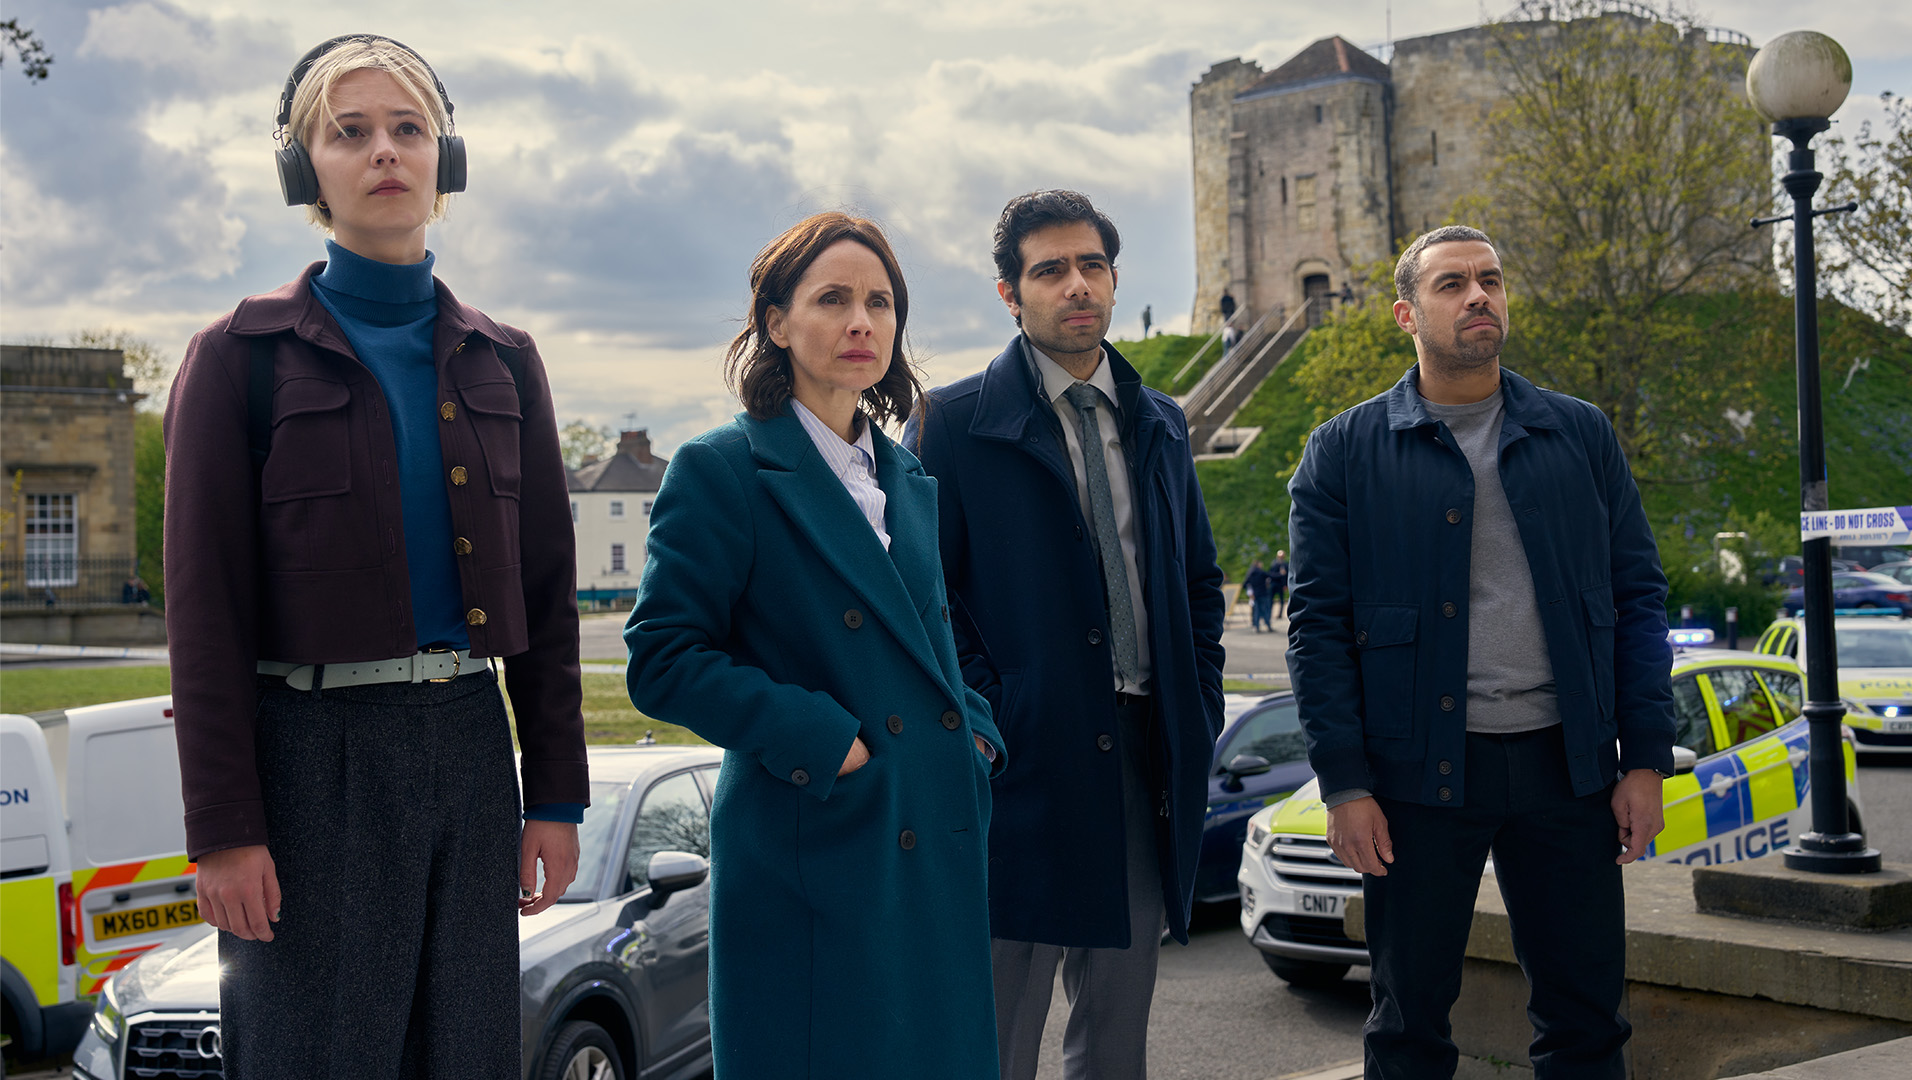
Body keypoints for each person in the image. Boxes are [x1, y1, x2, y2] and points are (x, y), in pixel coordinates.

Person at [163, 35, 586, 1078]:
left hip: (469, 749)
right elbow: (202, 615)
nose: (384, 152)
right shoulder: (236, 360)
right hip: (311, 758)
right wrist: (224, 830)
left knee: (469, 1057)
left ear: (447, 161)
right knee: (319, 1058)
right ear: (306, 169)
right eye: (349, 133)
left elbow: (546, 595)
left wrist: (557, 796)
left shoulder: (507, 359)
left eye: (410, 130)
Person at [1285, 225, 1674, 1078]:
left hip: (1567, 772)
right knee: (1408, 1026)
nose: (1479, 297)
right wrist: (1345, 782)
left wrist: (1644, 756)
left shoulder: (1580, 435)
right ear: (1406, 314)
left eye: (1491, 280)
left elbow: (1640, 600)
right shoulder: (1345, 453)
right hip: (1417, 778)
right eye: (1453, 284)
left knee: (1586, 1021)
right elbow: (1316, 627)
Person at [625, 212, 1006, 1080]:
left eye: (880, 302)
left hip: (931, 834)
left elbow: (931, 643)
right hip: (817, 842)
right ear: (775, 322)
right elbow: (662, 658)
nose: (861, 321)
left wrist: (976, 735)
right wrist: (824, 741)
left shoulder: (906, 478)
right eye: (832, 299)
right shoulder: (723, 468)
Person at [905, 190, 1226, 1080]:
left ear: (1115, 279)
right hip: (1019, 764)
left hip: (1141, 755)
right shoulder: (951, 424)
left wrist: (1193, 696)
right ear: (1011, 294)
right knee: (996, 1039)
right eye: (1050, 271)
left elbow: (1197, 584)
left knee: (1116, 1039)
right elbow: (923, 602)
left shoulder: (1160, 419)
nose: (1075, 286)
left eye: (1091, 266)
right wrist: (989, 711)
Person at [1244, 555, 1273, 632]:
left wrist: (1250, 592)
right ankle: (1268, 625)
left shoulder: (1250, 573)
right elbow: (1271, 576)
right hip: (1263, 593)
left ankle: (1256, 626)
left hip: (1255, 594)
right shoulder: (1261, 572)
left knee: (1256, 611)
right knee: (1265, 610)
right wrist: (1281, 574)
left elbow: (1245, 584)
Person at [1267, 548, 1289, 625]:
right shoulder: (1274, 564)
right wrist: (1280, 574)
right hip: (1274, 584)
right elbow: (1270, 574)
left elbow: (1286, 576)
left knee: (1281, 600)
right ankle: (1269, 613)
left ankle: (1280, 614)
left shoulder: (1285, 564)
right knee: (1270, 599)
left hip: (1281, 585)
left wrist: (1285, 585)